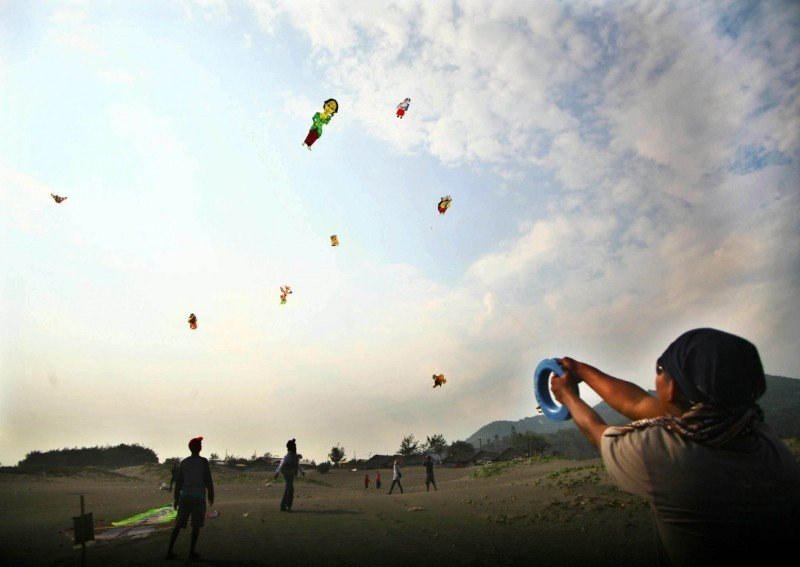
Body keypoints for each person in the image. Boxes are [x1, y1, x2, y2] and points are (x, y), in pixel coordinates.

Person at [549, 328, 800, 566]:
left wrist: (568, 397)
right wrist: (579, 369)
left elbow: (596, 432)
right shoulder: (761, 435)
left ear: (672, 388)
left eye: (661, 368)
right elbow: (637, 404)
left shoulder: (661, 454)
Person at [165, 436, 214, 561]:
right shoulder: (203, 462)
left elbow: (179, 482)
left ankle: (169, 551)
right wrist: (211, 494)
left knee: (178, 525)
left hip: (185, 497)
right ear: (199, 448)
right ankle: (191, 552)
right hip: (198, 497)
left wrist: (176, 499)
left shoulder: (184, 462)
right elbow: (208, 479)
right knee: (196, 526)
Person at [275, 438, 305, 511]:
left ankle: (283, 506)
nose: (295, 448)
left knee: (288, 489)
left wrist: (302, 471)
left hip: (291, 475)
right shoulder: (288, 456)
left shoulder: (294, 457)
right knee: (290, 489)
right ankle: (287, 505)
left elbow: (297, 465)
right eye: (294, 447)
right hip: (287, 475)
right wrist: (277, 472)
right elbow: (282, 464)